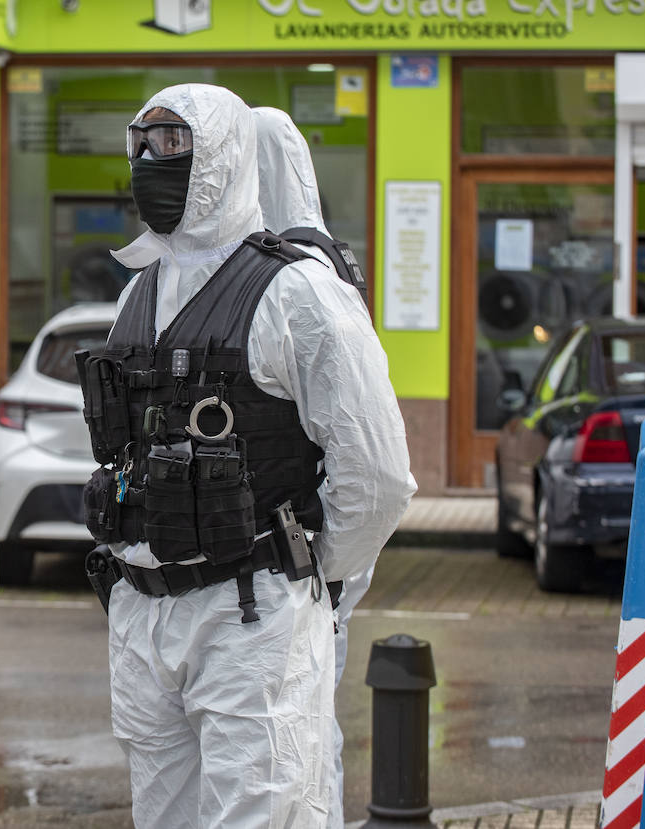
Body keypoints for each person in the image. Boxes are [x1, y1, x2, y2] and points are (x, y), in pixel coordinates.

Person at [80, 84, 415, 827]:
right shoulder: (140, 290)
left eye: (175, 146)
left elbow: (380, 474)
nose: (152, 163)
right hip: (144, 613)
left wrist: (309, 571)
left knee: (265, 810)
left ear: (226, 157)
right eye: (143, 144)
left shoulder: (297, 295)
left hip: (250, 614)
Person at [253, 104, 383, 827]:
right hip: (279, 583)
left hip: (290, 581)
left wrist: (319, 575)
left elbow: (370, 470)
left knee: (297, 762)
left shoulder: (308, 285)